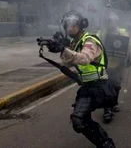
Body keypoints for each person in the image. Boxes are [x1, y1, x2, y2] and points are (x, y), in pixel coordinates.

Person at [47, 11, 117, 148]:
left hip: (99, 86)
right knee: (80, 120)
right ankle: (105, 143)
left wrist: (64, 49)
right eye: (67, 26)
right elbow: (69, 63)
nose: (70, 28)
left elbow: (84, 59)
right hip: (88, 87)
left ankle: (107, 145)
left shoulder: (90, 40)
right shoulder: (75, 43)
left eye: (73, 25)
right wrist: (62, 48)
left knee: (79, 120)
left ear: (81, 25)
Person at [98, 12, 131, 123]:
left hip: (118, 63)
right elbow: (96, 45)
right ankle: (107, 110)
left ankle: (114, 102)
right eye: (108, 21)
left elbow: (127, 46)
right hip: (104, 64)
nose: (110, 23)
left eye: (112, 21)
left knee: (116, 85)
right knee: (106, 86)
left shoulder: (122, 32)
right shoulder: (101, 33)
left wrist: (129, 58)